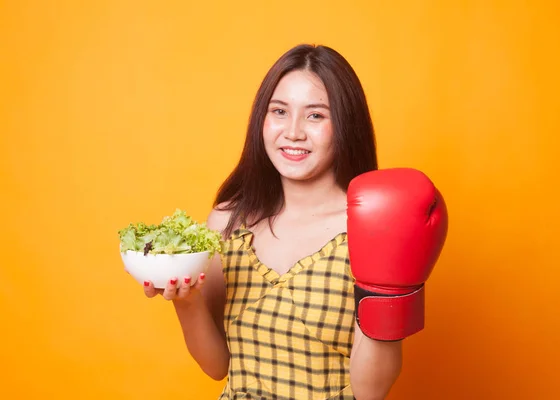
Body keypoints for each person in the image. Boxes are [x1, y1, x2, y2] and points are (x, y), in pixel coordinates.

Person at [142, 44, 448, 400]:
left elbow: (370, 392)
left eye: (316, 115)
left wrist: (389, 292)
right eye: (279, 111)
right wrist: (187, 300)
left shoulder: (372, 229)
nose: (293, 132)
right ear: (262, 119)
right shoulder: (228, 221)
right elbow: (217, 366)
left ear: (346, 125)